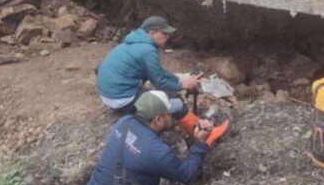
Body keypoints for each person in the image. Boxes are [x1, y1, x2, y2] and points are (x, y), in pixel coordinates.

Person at [95, 16, 228, 142]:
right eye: (164, 34)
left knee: (166, 90)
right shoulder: (147, 50)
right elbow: (159, 82)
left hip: (107, 94)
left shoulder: (131, 42)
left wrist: (181, 79)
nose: (167, 37)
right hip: (121, 99)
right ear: (152, 33)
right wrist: (183, 85)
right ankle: (202, 133)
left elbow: (157, 72)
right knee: (173, 100)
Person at [86, 90, 216, 185]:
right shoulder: (157, 152)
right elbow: (186, 175)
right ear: (158, 119)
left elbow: (140, 147)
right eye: (169, 113)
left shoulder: (124, 122)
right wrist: (199, 144)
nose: (173, 116)